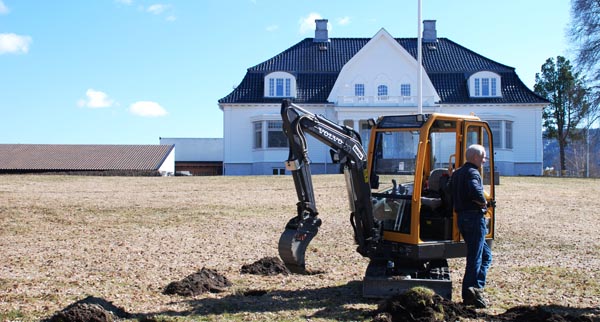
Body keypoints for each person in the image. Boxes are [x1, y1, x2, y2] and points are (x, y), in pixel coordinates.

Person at [451, 144, 492, 308]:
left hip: (461, 218)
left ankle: (476, 288)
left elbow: (449, 190)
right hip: (474, 218)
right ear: (475, 157)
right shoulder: (473, 173)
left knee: (486, 256)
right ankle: (471, 293)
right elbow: (476, 192)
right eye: (483, 157)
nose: (484, 160)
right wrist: (484, 202)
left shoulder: (457, 173)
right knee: (475, 257)